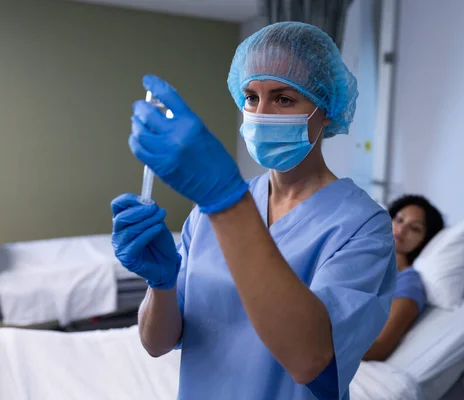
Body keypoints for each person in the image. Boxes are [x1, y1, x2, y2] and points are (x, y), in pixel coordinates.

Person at [110, 21, 397, 400]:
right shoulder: (209, 213)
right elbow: (157, 342)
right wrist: (160, 285)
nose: (261, 113)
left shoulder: (362, 226)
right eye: (251, 97)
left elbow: (310, 358)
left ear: (326, 110)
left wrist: (226, 202)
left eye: (283, 99)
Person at [362, 195, 444, 361]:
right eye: (399, 219)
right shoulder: (360, 257)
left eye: (415, 228)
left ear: (425, 241)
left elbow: (379, 346)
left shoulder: (408, 282)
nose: (402, 229)